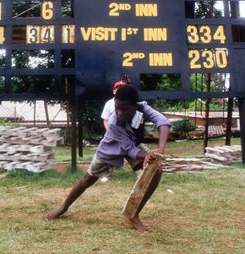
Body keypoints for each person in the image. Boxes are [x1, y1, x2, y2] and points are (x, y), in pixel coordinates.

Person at [47, 85, 171, 233]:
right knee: (87, 180)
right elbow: (128, 149)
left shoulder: (143, 108)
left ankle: (133, 214)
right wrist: (148, 155)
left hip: (134, 145)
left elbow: (163, 122)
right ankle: (63, 207)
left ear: (134, 105)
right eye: (117, 108)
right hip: (112, 147)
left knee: (156, 170)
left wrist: (159, 151)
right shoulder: (113, 122)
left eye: (124, 109)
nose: (119, 112)